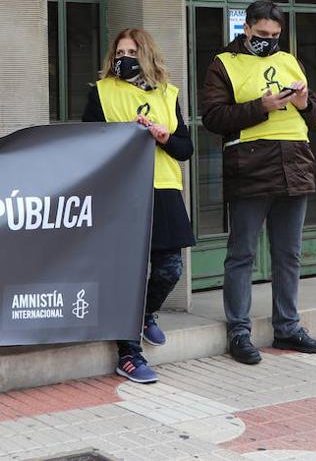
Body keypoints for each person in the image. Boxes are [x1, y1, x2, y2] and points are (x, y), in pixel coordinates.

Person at [201, 0, 316, 364]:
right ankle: (239, 330)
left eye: (274, 35)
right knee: (242, 253)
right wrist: (262, 106)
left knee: (289, 254)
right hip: (250, 166)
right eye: (261, 35)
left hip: (294, 165)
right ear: (246, 29)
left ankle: (287, 327)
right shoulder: (223, 63)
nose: (268, 41)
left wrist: (303, 103)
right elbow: (213, 117)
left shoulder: (289, 60)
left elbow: (315, 115)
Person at [83, 28, 196, 384]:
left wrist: (163, 136)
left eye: (131, 51)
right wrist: (124, 134)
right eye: (119, 53)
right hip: (122, 192)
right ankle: (129, 354)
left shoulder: (168, 93)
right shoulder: (101, 92)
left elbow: (185, 149)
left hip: (163, 187)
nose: (124, 58)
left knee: (170, 269)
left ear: (146, 54)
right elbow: (87, 143)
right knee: (128, 273)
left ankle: (145, 314)